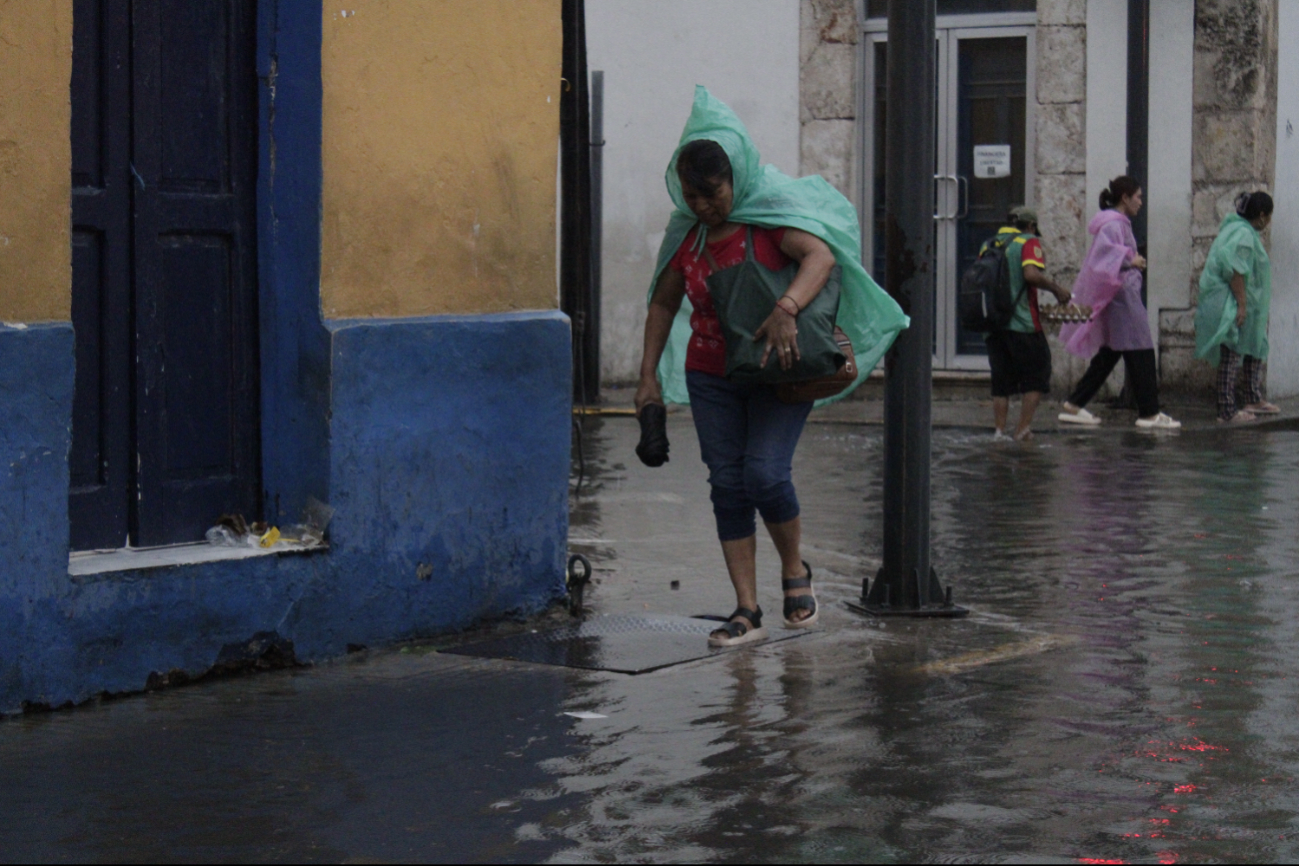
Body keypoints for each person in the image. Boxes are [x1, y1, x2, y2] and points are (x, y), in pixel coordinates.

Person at [634, 87, 906, 648]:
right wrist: (647, 379)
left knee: (764, 474)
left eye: (712, 194)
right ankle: (746, 609)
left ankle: (793, 571)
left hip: (782, 369)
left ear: (736, 178)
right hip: (712, 373)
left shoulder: (769, 220)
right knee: (727, 484)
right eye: (692, 195)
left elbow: (821, 256)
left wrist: (788, 308)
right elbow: (663, 303)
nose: (705, 206)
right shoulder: (686, 236)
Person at [1057, 176, 1181, 429]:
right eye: (1138, 197)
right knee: (1141, 348)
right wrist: (1130, 259)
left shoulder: (1116, 223)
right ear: (1125, 198)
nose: (1141, 202)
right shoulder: (1113, 225)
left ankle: (1075, 403)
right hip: (1122, 297)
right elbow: (1103, 256)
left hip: (1119, 296)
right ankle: (1149, 412)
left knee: (1112, 352)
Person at [982, 205, 1072, 441]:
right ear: (1031, 226)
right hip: (1022, 323)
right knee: (1037, 373)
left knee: (1000, 381)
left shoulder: (989, 243)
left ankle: (999, 432)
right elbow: (1031, 275)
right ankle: (1022, 429)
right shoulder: (1029, 241)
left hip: (993, 324)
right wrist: (1056, 289)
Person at [1194, 191, 1276, 423]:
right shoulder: (1243, 235)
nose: (1268, 222)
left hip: (1243, 299)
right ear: (1261, 216)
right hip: (1231, 299)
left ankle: (1253, 396)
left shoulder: (1237, 229)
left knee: (1257, 344)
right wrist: (1241, 304)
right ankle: (1226, 410)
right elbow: (1236, 270)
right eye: (1268, 217)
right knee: (1232, 351)